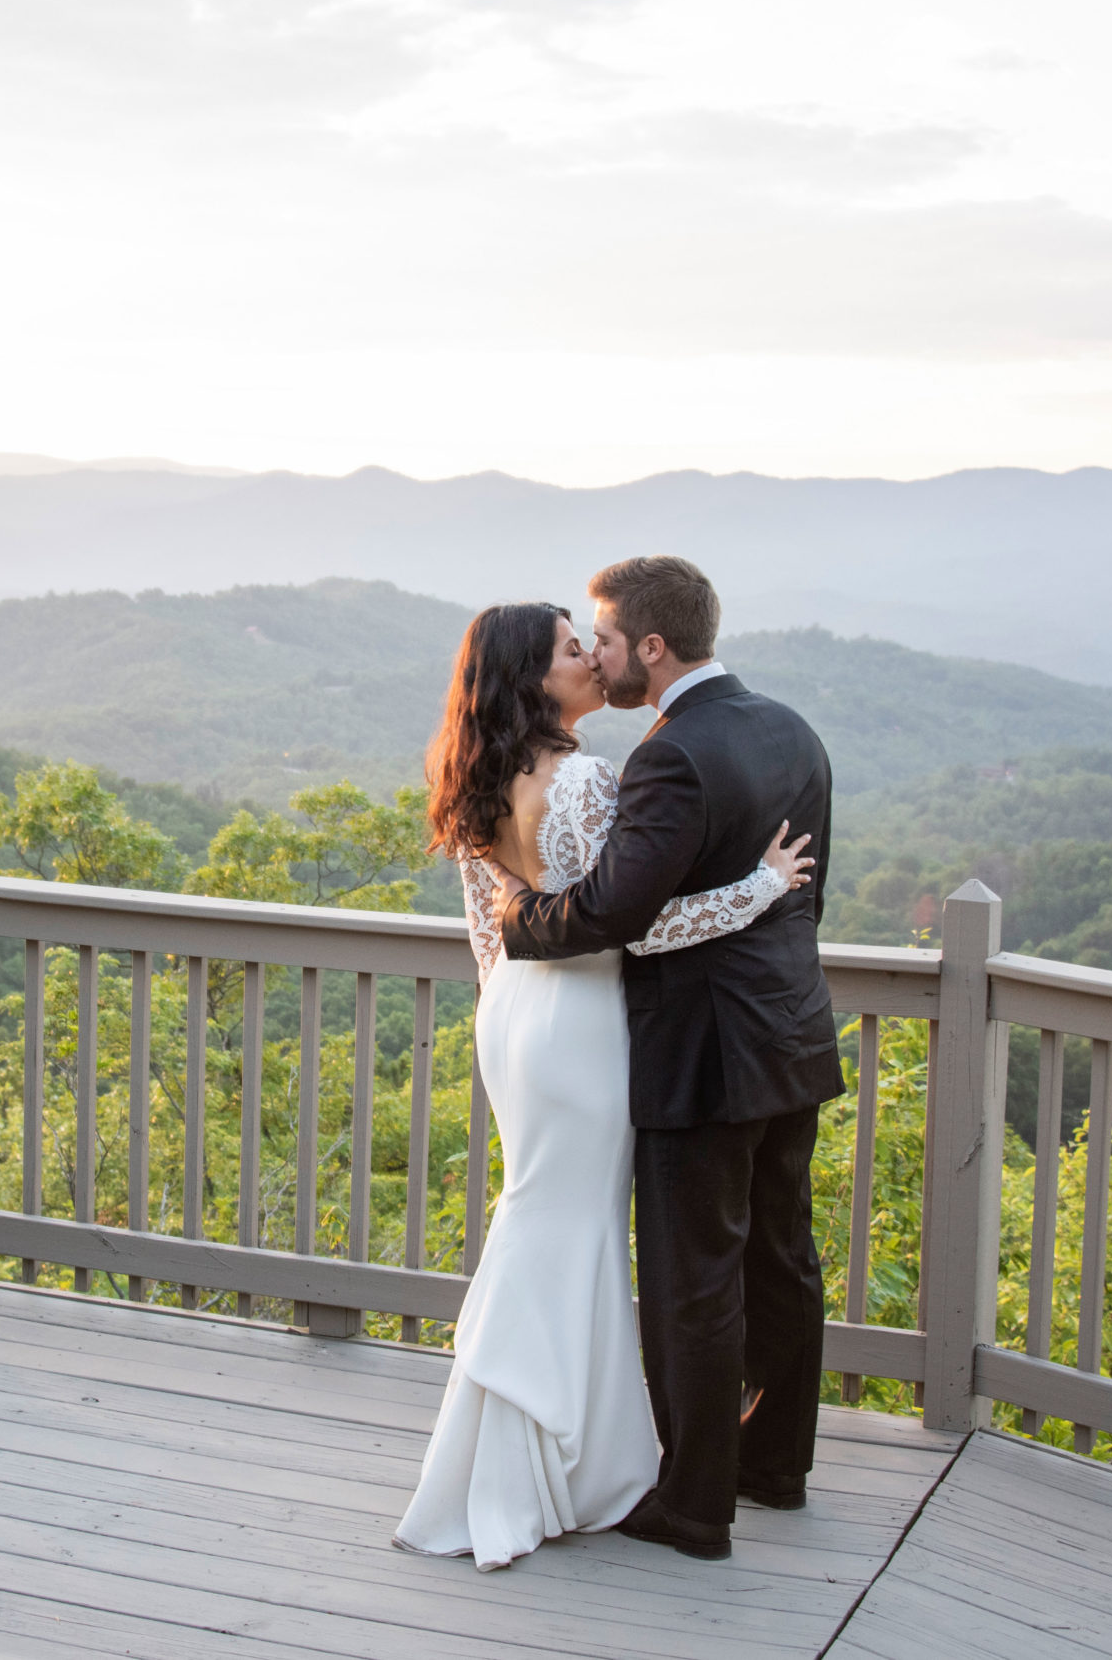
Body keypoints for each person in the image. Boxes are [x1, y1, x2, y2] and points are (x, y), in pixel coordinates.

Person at [392, 599, 813, 1571]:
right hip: (581, 1021)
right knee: (568, 1227)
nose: (593, 659)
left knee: (541, 1217)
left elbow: (490, 931)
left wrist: (511, 1018)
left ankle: (527, 1449)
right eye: (573, 650)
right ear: (534, 679)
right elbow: (627, 920)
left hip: (516, 1017)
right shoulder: (582, 780)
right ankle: (549, 1459)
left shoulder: (471, 774)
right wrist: (759, 886)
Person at [496, 555, 839, 1564]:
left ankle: (694, 1504)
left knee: (698, 1277)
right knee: (784, 1258)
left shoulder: (669, 757)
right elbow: (806, 891)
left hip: (703, 1051)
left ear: (650, 646)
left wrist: (520, 920)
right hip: (792, 1032)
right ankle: (774, 1467)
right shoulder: (790, 728)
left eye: (600, 638)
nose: (595, 656)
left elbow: (617, 917)